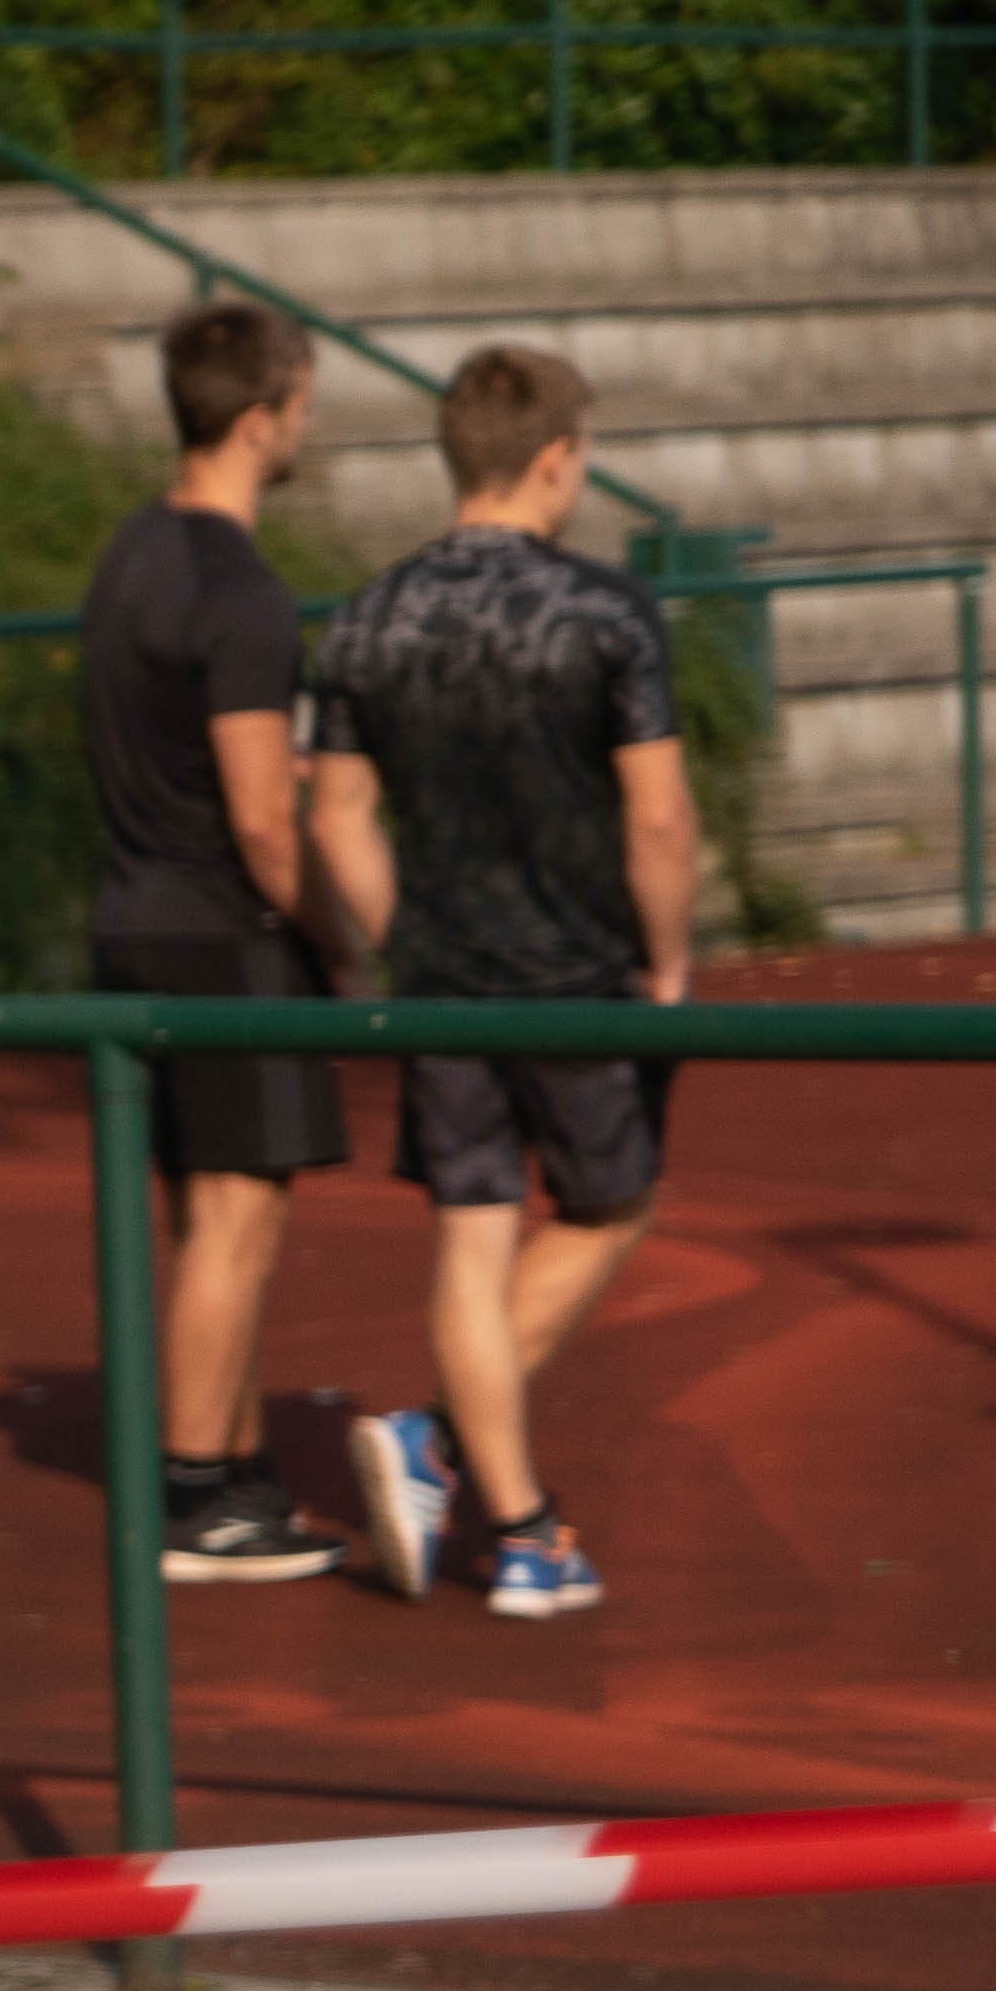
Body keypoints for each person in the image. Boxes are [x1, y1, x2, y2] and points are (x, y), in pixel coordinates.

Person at [310, 346, 698, 1620]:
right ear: (554, 460)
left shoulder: (367, 617)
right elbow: (657, 820)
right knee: (610, 1205)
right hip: (577, 974)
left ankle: (500, 1506)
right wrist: (669, 963)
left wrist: (411, 938)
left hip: (444, 981)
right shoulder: (606, 611)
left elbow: (336, 820)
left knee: (472, 1236)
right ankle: (479, 1490)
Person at [74, 299, 351, 1586]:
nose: (306, 426)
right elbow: (263, 819)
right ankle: (196, 1499)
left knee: (209, 1219)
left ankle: (234, 1471)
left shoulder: (127, 555)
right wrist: (338, 940)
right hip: (223, 935)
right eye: (300, 406)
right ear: (256, 421)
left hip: (132, 919)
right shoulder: (242, 594)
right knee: (238, 1221)